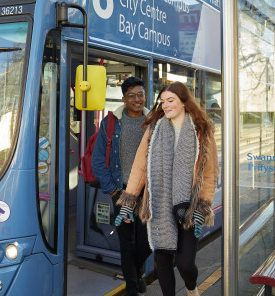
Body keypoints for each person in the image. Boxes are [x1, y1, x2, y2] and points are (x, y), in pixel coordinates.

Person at [116, 81, 219, 296]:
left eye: (170, 100)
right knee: (162, 260)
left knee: (185, 264)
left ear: (183, 101)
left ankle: (191, 289)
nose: (165, 105)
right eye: (162, 101)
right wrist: (129, 201)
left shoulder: (201, 130)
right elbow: (139, 168)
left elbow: (209, 174)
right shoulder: (154, 129)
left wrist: (202, 205)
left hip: (189, 207)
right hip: (160, 205)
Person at [91, 76, 152, 296]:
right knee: (127, 241)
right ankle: (133, 285)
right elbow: (97, 160)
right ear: (124, 98)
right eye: (132, 95)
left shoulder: (154, 122)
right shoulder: (111, 123)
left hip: (148, 193)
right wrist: (114, 191)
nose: (137, 99)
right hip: (122, 191)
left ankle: (136, 272)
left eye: (141, 94)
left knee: (147, 241)